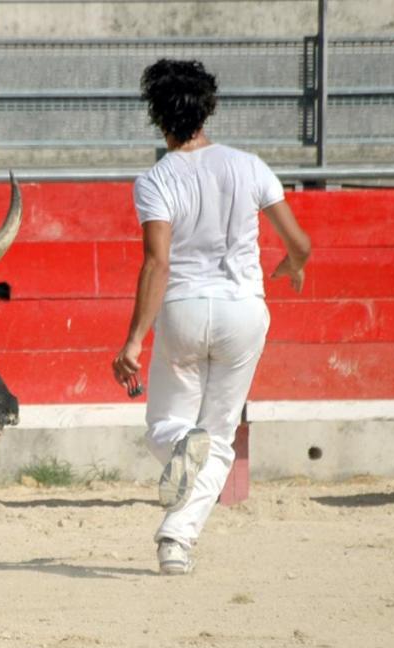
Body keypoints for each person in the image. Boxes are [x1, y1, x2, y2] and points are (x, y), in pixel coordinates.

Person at [111, 58, 311, 576]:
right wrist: (293, 263)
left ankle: (181, 448)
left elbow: (157, 261)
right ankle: (176, 541)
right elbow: (301, 242)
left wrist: (133, 340)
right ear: (209, 109)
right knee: (218, 438)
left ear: (158, 118)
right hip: (243, 311)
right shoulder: (250, 166)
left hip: (182, 309)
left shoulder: (155, 180)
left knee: (165, 426)